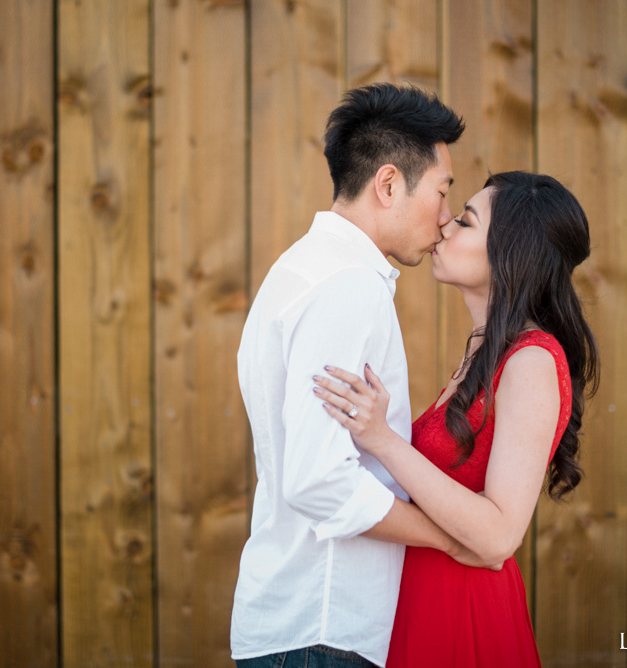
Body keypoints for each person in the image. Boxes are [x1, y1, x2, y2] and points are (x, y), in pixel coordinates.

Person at [231, 83, 498, 668]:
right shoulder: (346, 285)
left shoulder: (303, 268)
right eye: (441, 190)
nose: (447, 214)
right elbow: (318, 480)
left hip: (303, 622)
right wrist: (451, 539)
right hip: (322, 626)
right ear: (387, 184)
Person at [313, 171, 600, 666]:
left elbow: (499, 535)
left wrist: (383, 439)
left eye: (465, 221)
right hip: (421, 597)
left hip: (461, 609)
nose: (444, 225)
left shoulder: (531, 361)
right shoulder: (486, 353)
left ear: (511, 252)